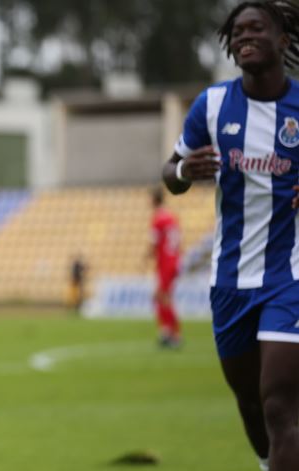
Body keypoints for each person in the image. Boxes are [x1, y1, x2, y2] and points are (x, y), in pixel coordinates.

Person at [163, 2, 299, 469]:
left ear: (282, 39)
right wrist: (184, 169)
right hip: (230, 281)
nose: (244, 37)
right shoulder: (213, 105)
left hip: (290, 278)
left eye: (256, 29)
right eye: (237, 32)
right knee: (250, 402)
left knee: (282, 403)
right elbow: (170, 173)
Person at [146, 187, 182, 348]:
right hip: (174, 260)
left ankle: (173, 333)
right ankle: (167, 331)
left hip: (165, 262)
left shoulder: (158, 218)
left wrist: (146, 257)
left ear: (154, 200)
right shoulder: (171, 217)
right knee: (161, 296)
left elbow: (154, 243)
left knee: (163, 296)